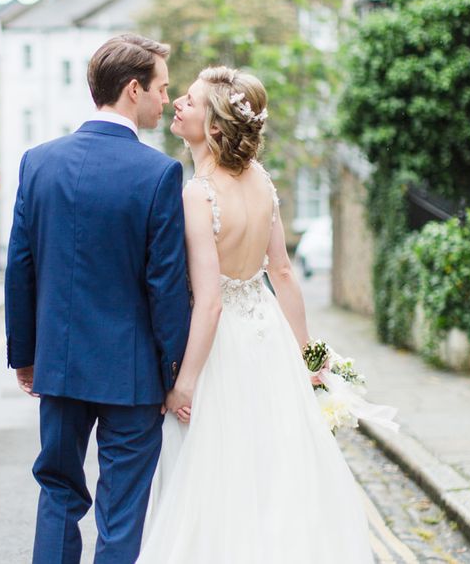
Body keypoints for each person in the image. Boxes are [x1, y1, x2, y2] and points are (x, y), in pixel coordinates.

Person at [137, 66, 374, 563]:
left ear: (216, 127)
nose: (177, 103)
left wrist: (186, 382)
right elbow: (282, 274)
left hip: (220, 345)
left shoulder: (197, 194)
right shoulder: (262, 182)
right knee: (273, 465)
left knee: (216, 473)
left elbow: (210, 300)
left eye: (191, 101)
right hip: (267, 337)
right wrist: (307, 356)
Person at [5, 34, 192, 564]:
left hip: (60, 366)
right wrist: (172, 370)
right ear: (133, 90)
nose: (165, 100)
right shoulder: (158, 173)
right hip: (132, 377)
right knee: (121, 507)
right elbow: (165, 286)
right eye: (161, 88)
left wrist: (26, 355)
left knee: (58, 492)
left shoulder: (38, 162)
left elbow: (21, 266)